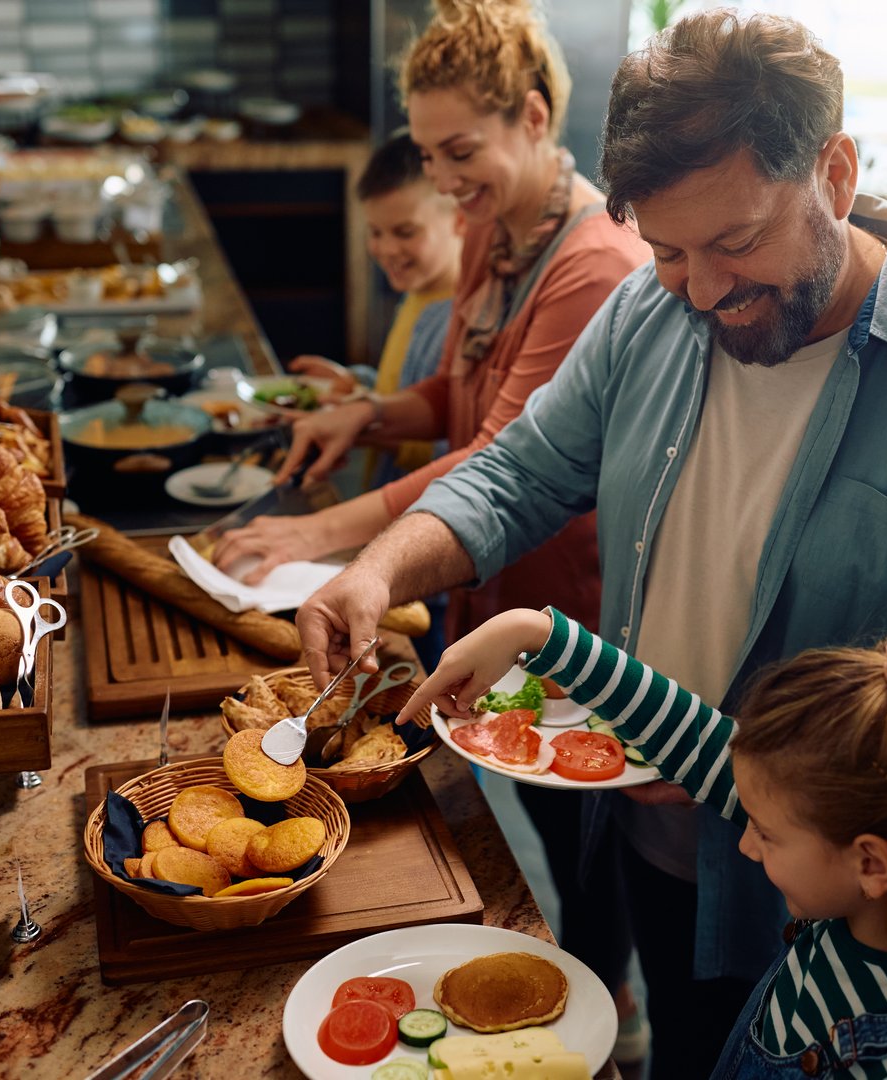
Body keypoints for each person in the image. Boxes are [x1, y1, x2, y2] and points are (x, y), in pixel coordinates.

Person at [291, 9, 887, 1073]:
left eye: (738, 241)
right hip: (649, 832)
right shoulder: (642, 315)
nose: (703, 292)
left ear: (835, 173)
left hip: (852, 913)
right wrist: (379, 569)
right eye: (668, 251)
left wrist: (763, 783)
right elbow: (520, 475)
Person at [215, 0, 654, 1059]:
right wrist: (368, 412)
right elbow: (457, 402)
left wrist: (324, 532)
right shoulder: (492, 232)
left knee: (592, 839)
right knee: (522, 821)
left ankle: (610, 1018)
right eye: (426, 154)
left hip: (572, 613)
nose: (445, 178)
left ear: (536, 118)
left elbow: (501, 456)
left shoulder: (593, 265)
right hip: (485, 593)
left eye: (463, 152)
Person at [396, 609, 887, 1080]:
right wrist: (531, 632)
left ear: (871, 862)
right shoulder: (850, 888)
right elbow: (691, 734)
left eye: (766, 833)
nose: (745, 844)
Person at [286, 131, 463, 669]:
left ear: (458, 218)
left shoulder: (455, 314)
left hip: (420, 544)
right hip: (389, 530)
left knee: (422, 657)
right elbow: (402, 389)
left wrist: (362, 420)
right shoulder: (418, 293)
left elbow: (438, 436)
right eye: (376, 232)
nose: (387, 248)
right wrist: (355, 387)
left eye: (405, 231)